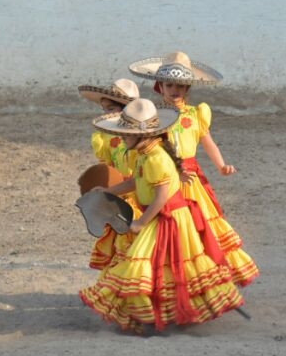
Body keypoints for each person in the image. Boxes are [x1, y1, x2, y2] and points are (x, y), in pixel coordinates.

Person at [78, 97, 244, 332]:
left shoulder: (156, 159)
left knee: (142, 263)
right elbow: (137, 181)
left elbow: (161, 197)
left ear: (142, 135)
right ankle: (159, 315)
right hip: (161, 216)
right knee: (166, 267)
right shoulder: (146, 154)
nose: (122, 138)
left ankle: (149, 316)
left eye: (126, 134)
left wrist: (141, 223)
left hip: (169, 218)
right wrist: (109, 190)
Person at [131, 52, 259, 287]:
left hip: (192, 178)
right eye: (169, 84)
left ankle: (204, 274)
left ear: (188, 87)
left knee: (201, 225)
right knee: (171, 226)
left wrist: (221, 166)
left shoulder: (196, 113)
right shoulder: (155, 115)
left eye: (180, 85)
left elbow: (208, 142)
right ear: (160, 86)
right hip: (167, 174)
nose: (175, 89)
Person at [78, 78, 143, 270]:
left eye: (112, 108)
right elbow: (107, 168)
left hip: (140, 192)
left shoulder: (141, 134)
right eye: (105, 109)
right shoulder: (104, 136)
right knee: (121, 237)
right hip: (119, 192)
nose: (107, 114)